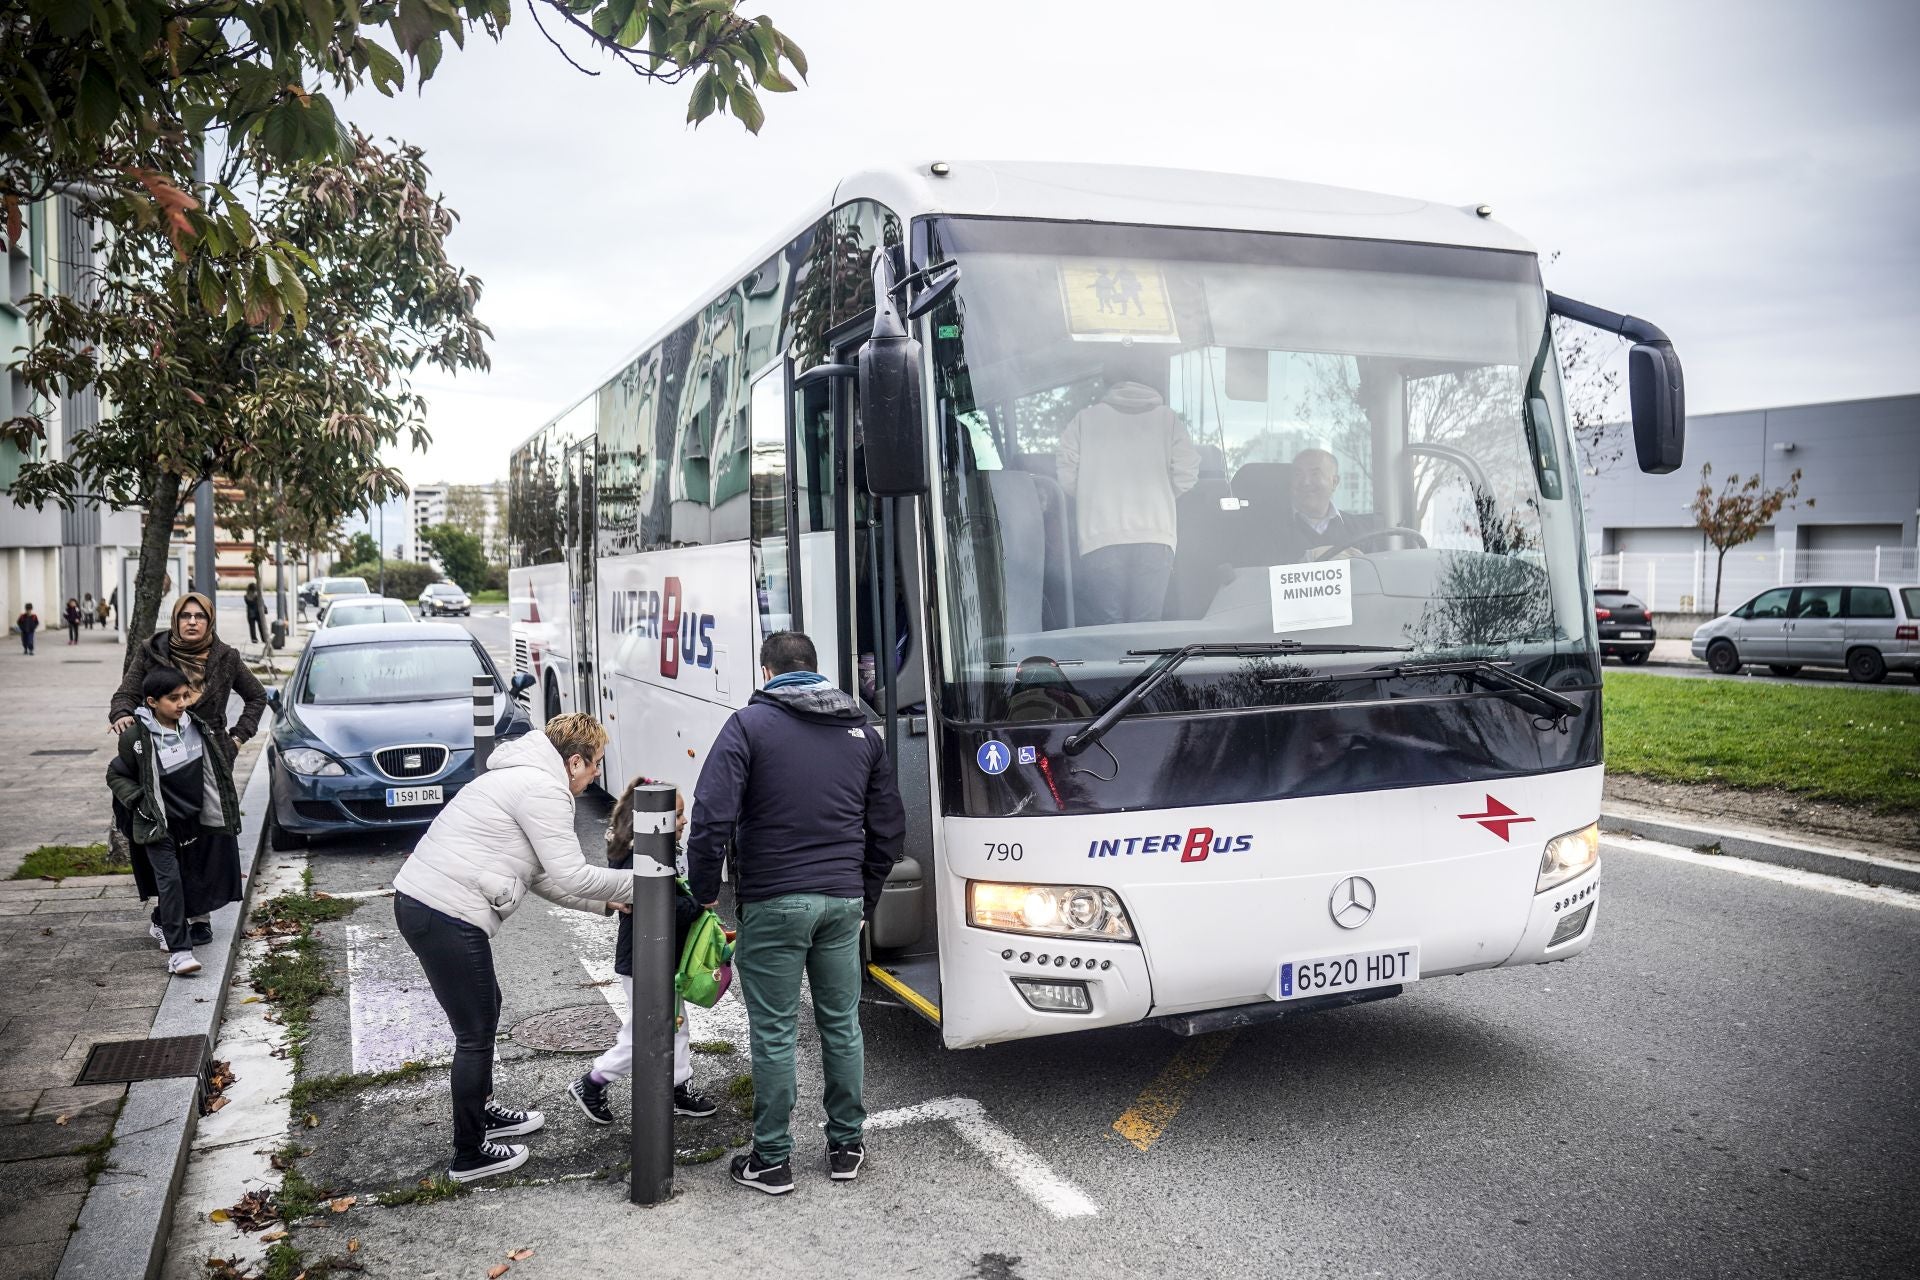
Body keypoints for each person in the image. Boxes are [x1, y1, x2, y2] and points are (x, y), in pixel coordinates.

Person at [686, 630, 905, 1195]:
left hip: (774, 902)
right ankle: (846, 1146)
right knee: (841, 1025)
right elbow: (888, 827)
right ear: (815, 670)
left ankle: (773, 1160)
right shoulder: (863, 732)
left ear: (767, 673)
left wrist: (705, 891)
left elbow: (711, 817)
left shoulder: (748, 726)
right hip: (841, 903)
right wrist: (865, 896)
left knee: (777, 1031)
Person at [391, 712, 636, 1184]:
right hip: (445, 912)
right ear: (575, 761)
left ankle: (482, 1113)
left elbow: (542, 876)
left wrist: (607, 901)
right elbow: (571, 874)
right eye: (596, 764)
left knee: (487, 1011)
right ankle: (470, 1154)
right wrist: (645, 882)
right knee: (475, 1034)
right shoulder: (544, 790)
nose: (597, 774)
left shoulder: (523, 778)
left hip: (428, 905)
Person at [567, 777, 716, 1126]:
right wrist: (698, 905)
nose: (684, 821)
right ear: (653, 821)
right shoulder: (638, 857)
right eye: (678, 815)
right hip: (643, 961)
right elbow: (656, 906)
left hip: (662, 960)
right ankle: (592, 1082)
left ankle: (677, 1086)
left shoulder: (654, 852)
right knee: (651, 1032)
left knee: (672, 1027)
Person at [105, 667, 244, 976]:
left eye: (184, 696)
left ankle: (160, 920)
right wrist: (140, 801)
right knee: (170, 882)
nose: (181, 703)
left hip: (192, 822)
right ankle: (180, 954)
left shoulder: (196, 727)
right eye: (173, 698)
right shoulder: (135, 738)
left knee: (189, 879)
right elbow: (116, 774)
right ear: (153, 701)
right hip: (158, 825)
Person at [1055, 365, 1199, 625]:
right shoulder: (1169, 420)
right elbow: (1187, 474)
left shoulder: (1084, 419)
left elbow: (1066, 473)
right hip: (1156, 536)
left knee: (1109, 629)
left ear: (1108, 382)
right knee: (1146, 629)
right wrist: (1160, 497)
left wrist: (1094, 495)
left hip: (1099, 537)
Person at [109, 593, 266, 764]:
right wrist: (122, 714)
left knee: (212, 792)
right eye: (185, 616)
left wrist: (237, 738)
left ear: (210, 620)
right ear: (176, 619)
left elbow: (257, 696)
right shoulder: (151, 651)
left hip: (212, 754)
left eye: (200, 616)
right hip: (162, 749)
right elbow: (126, 694)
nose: (192, 622)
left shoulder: (227, 657)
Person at [1285, 447, 1384, 559]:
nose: (1306, 482)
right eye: (1298, 474)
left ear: (1334, 482)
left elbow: (1375, 572)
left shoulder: (1360, 531)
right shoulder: (1270, 531)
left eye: (1315, 474)